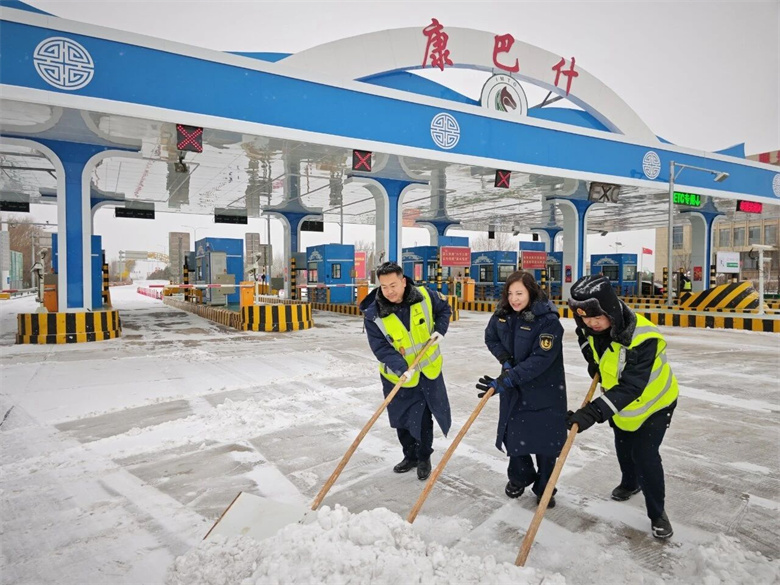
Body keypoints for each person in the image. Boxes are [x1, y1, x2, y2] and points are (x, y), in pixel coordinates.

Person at [566, 274, 679, 539]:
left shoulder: (643, 338)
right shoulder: (588, 328)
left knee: (645, 455)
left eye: (597, 317)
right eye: (585, 318)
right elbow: (588, 346)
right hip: (621, 407)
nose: (591, 323)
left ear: (611, 311)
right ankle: (630, 483)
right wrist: (593, 364)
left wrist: (592, 413)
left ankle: (657, 513)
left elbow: (631, 386)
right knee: (623, 445)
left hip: (655, 403)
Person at [478, 271, 567, 507]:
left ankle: (545, 487)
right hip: (515, 388)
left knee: (546, 443)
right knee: (515, 436)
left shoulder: (547, 321)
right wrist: (505, 360)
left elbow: (540, 359)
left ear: (531, 292)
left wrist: (508, 378)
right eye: (510, 293)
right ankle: (520, 477)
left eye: (519, 293)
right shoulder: (503, 315)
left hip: (544, 389)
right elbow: (491, 337)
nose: (514, 299)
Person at [359, 261, 452, 481]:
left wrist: (440, 330)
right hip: (397, 376)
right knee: (402, 419)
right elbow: (380, 347)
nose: (389, 291)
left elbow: (444, 309)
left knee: (423, 418)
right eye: (384, 287)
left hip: (427, 372)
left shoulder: (425, 296)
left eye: (393, 285)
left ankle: (424, 457)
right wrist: (401, 368)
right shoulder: (374, 314)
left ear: (403, 281)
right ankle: (410, 456)